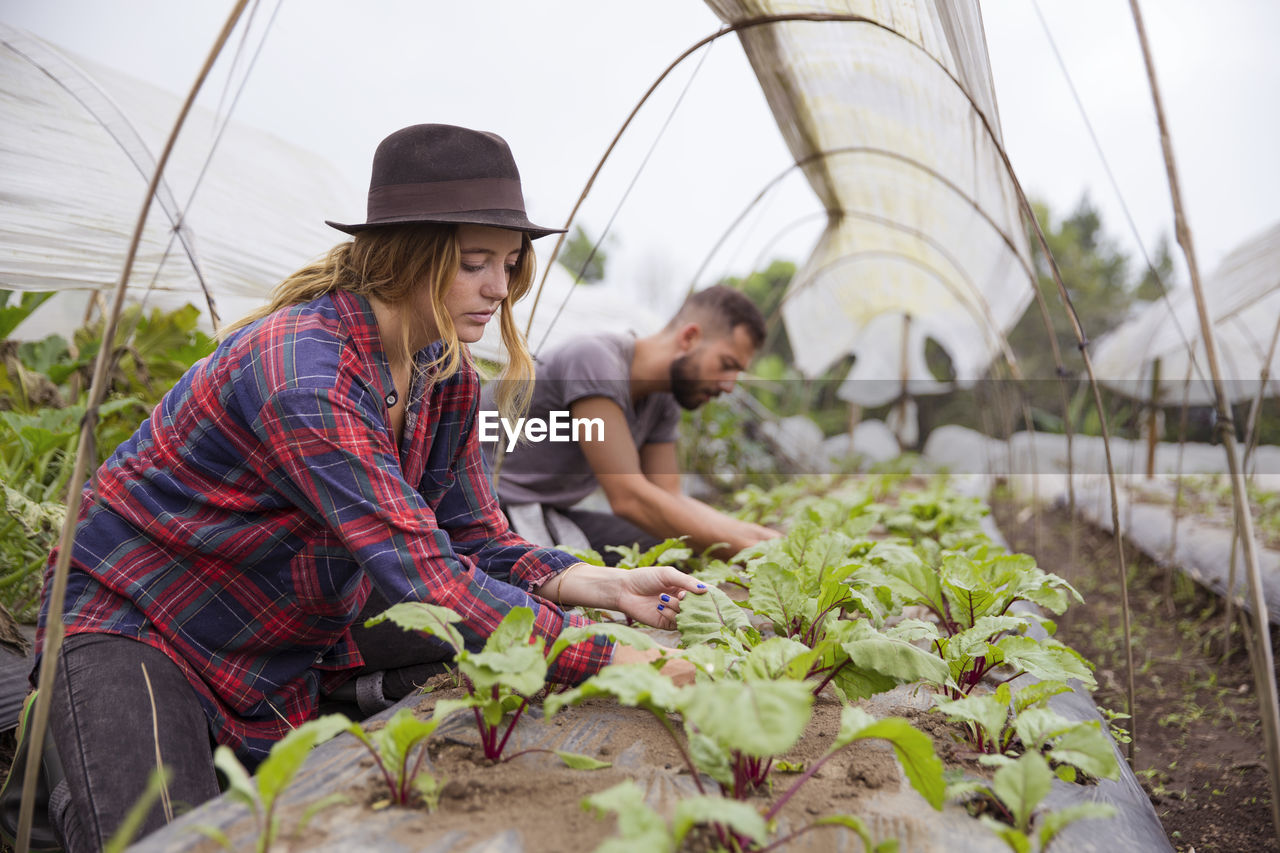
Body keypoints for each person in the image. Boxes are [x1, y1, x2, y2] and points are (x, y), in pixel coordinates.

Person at [13, 124, 702, 852]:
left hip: (275, 622)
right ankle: (50, 765)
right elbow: (424, 573)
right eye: (474, 263)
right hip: (144, 619)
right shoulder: (307, 372)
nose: (498, 288)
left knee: (469, 659)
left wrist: (594, 584)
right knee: (160, 838)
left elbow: (473, 536)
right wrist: (608, 657)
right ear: (408, 258)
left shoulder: (445, 374)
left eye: (507, 263)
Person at [487, 285, 782, 562]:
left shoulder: (663, 400)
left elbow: (669, 494)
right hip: (484, 509)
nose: (729, 385)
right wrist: (752, 552)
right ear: (689, 337)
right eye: (727, 365)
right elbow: (628, 497)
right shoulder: (594, 360)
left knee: (672, 546)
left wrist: (766, 540)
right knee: (667, 551)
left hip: (545, 512)